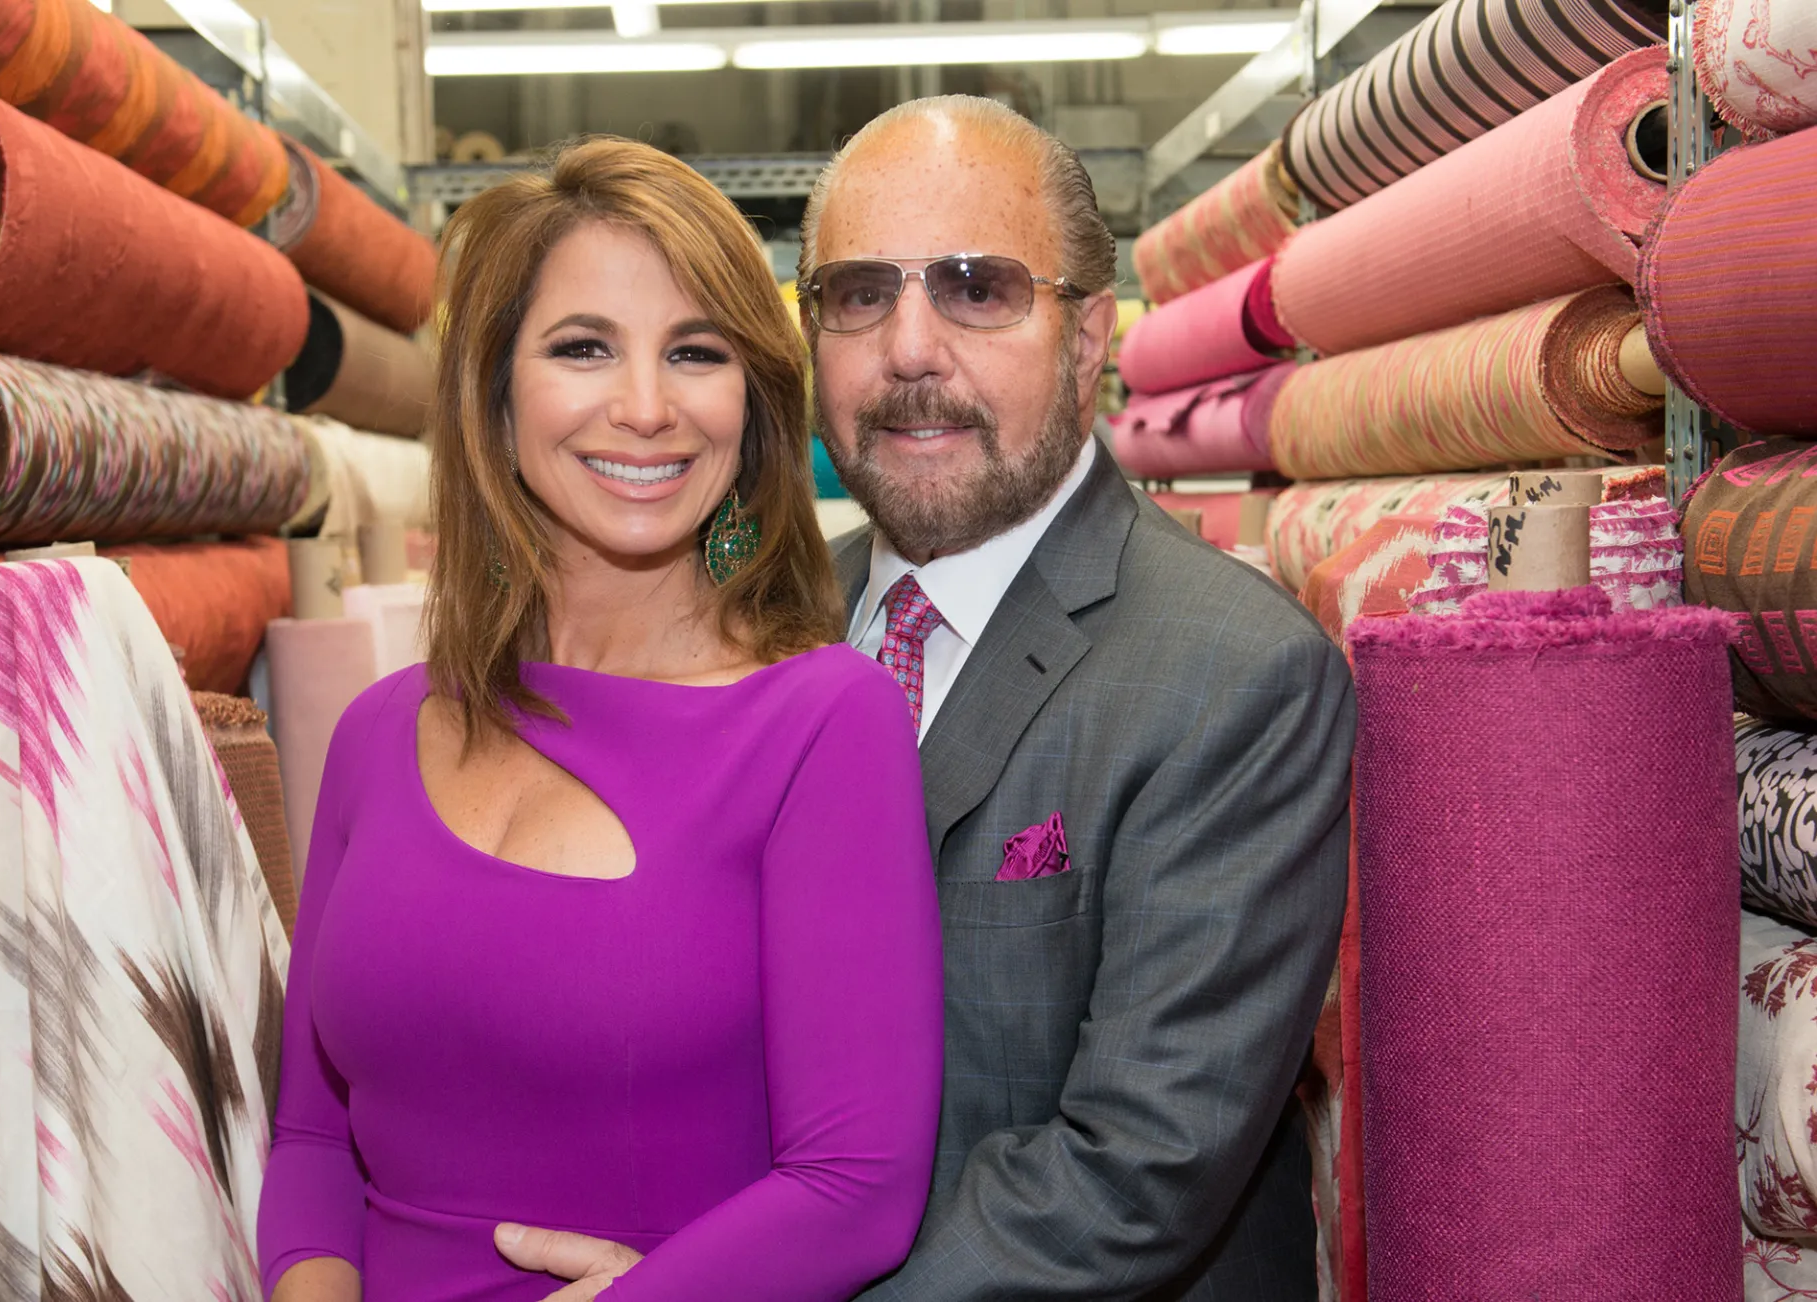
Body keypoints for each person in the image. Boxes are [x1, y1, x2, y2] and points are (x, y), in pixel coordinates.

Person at [498, 98, 1354, 1300]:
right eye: (857, 294)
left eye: (974, 288)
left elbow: (1132, 1176)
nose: (908, 351)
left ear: (1087, 336)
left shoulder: (1231, 677)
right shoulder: (753, 629)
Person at [256, 137, 945, 1302]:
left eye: (695, 352)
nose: (644, 408)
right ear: (495, 395)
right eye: (583, 347)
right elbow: (315, 1137)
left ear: (750, 406)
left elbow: (856, 1187)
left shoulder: (822, 723)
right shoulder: (377, 733)